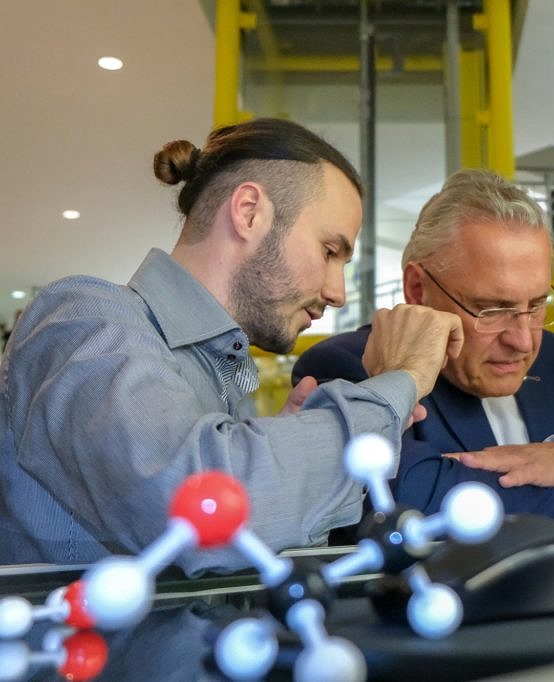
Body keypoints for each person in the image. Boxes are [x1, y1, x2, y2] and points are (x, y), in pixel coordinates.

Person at [0, 118, 463, 573]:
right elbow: (195, 512)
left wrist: (289, 445)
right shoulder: (82, 315)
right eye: (329, 251)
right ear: (248, 212)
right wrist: (398, 383)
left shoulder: (221, 380)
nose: (337, 291)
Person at [294, 169, 554, 527]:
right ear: (418, 289)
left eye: (537, 305)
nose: (523, 341)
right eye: (493, 310)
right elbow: (398, 495)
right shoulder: (350, 364)